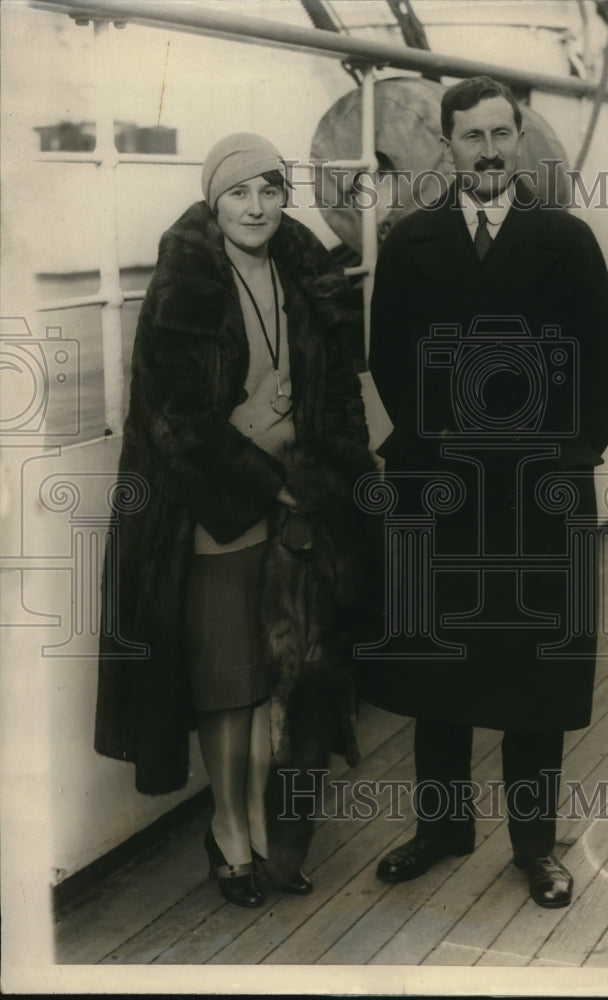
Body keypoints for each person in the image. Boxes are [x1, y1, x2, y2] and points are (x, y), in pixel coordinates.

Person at [361, 77, 608, 908]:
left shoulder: (568, 241)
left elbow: (605, 365)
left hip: (538, 493)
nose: (487, 151)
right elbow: (394, 363)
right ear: (445, 145)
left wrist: (567, 459)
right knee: (437, 668)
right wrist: (443, 455)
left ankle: (536, 845)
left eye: (500, 134)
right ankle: (443, 826)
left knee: (532, 676)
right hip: (441, 489)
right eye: (470, 136)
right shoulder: (409, 244)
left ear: (520, 139)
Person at [95, 133, 374, 908]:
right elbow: (171, 416)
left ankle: (266, 829)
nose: (255, 207)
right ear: (214, 201)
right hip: (220, 511)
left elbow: (341, 396)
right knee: (230, 686)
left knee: (287, 683)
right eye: (238, 193)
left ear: (285, 196)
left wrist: (323, 481)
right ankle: (229, 830)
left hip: (301, 510)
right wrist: (257, 455)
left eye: (269, 189)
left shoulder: (303, 274)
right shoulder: (186, 282)